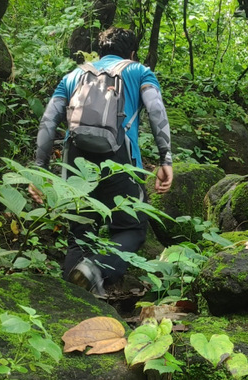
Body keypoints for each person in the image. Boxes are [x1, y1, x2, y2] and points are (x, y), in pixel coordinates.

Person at [32, 27, 173, 297]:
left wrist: (40, 171)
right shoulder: (138, 71)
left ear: (100, 51)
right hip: (119, 160)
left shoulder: (73, 76)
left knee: (80, 234)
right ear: (131, 53)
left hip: (75, 162)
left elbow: (48, 122)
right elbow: (156, 110)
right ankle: (95, 268)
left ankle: (70, 303)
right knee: (131, 227)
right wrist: (165, 158)